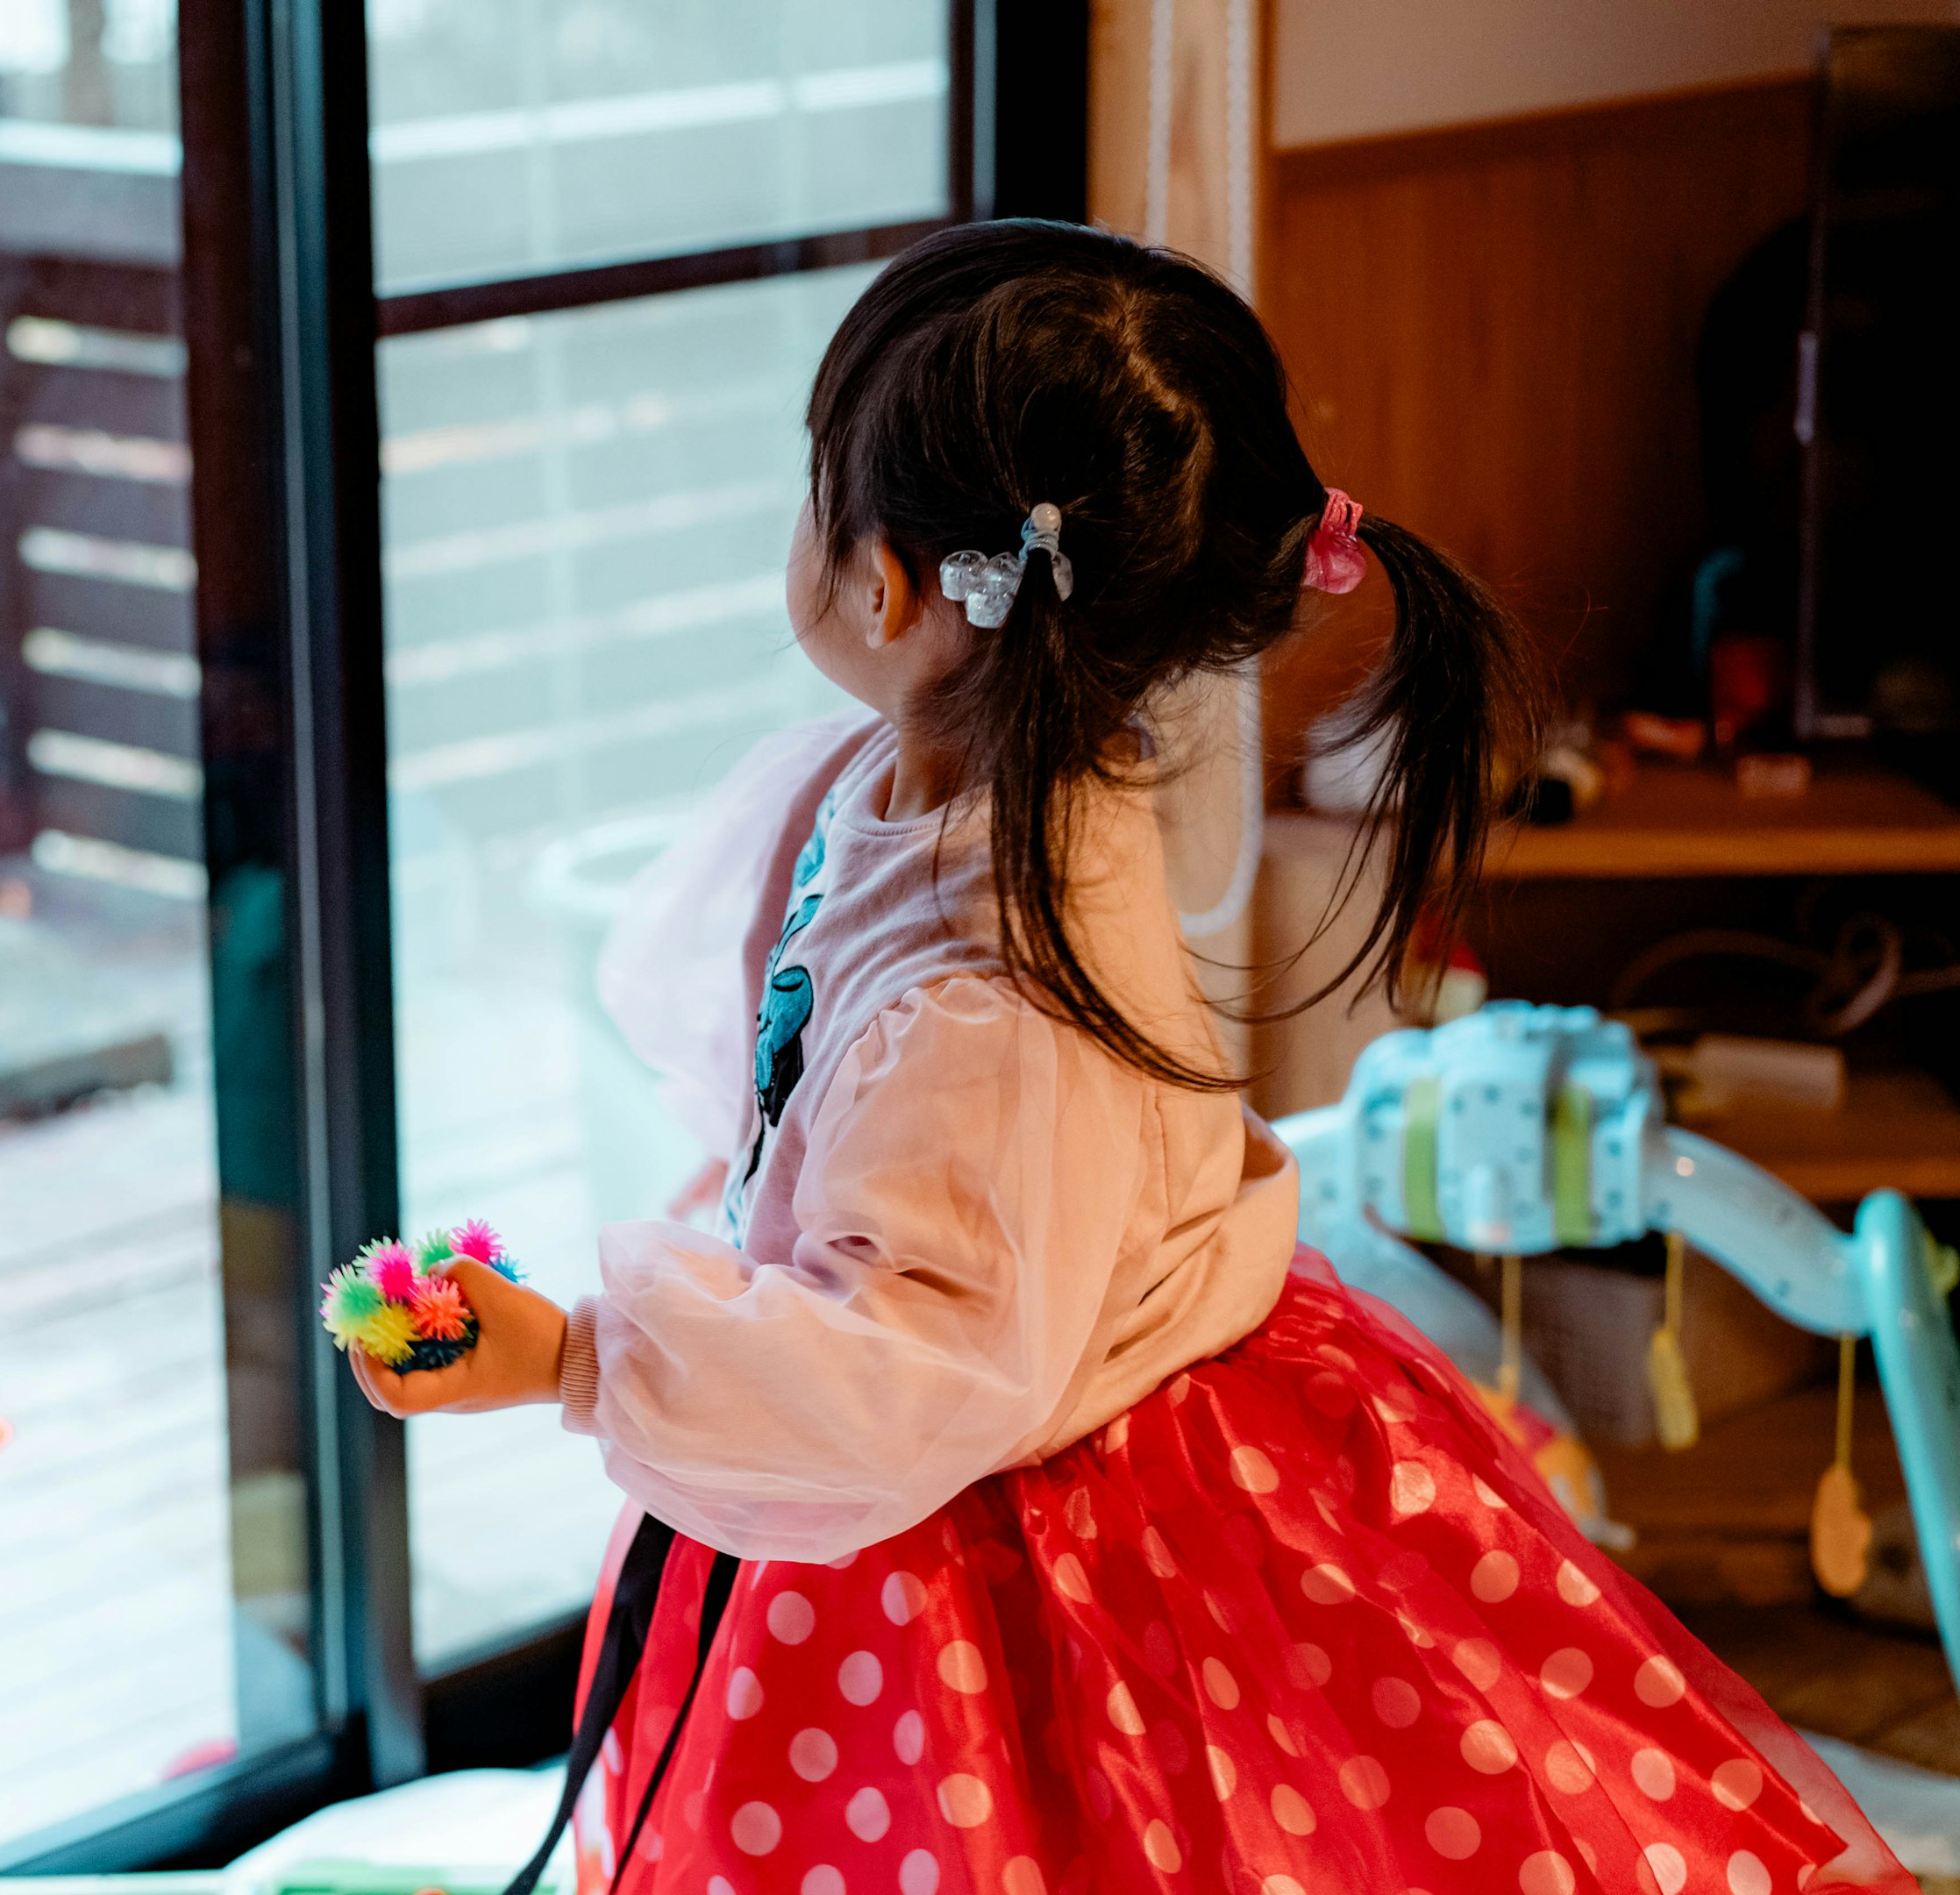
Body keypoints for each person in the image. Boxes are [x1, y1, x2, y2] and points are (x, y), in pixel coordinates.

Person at [351, 221, 1911, 1895]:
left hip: (1026, 1524)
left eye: (821, 475)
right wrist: (712, 1253)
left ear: (889, 583)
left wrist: (583, 1355)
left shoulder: (999, 1001)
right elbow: (793, 1105)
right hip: (975, 1416)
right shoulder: (875, 782)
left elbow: (909, 1375)